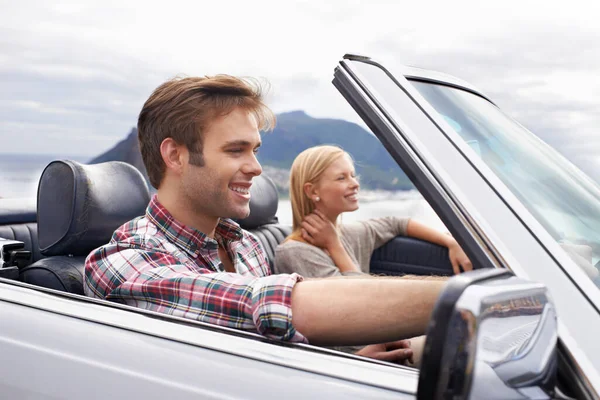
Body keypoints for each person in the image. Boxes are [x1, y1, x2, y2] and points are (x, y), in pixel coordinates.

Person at [84, 75, 449, 365]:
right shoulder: (123, 262)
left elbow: (275, 344)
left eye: (255, 150)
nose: (256, 168)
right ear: (175, 156)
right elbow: (263, 304)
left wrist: (353, 358)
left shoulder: (246, 244)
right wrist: (462, 298)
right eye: (235, 150)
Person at [274, 145, 473, 279]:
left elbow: (396, 223)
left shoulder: (347, 234)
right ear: (312, 191)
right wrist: (334, 246)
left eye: (353, 175)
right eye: (341, 178)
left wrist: (452, 242)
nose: (355, 184)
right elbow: (361, 299)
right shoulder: (295, 253)